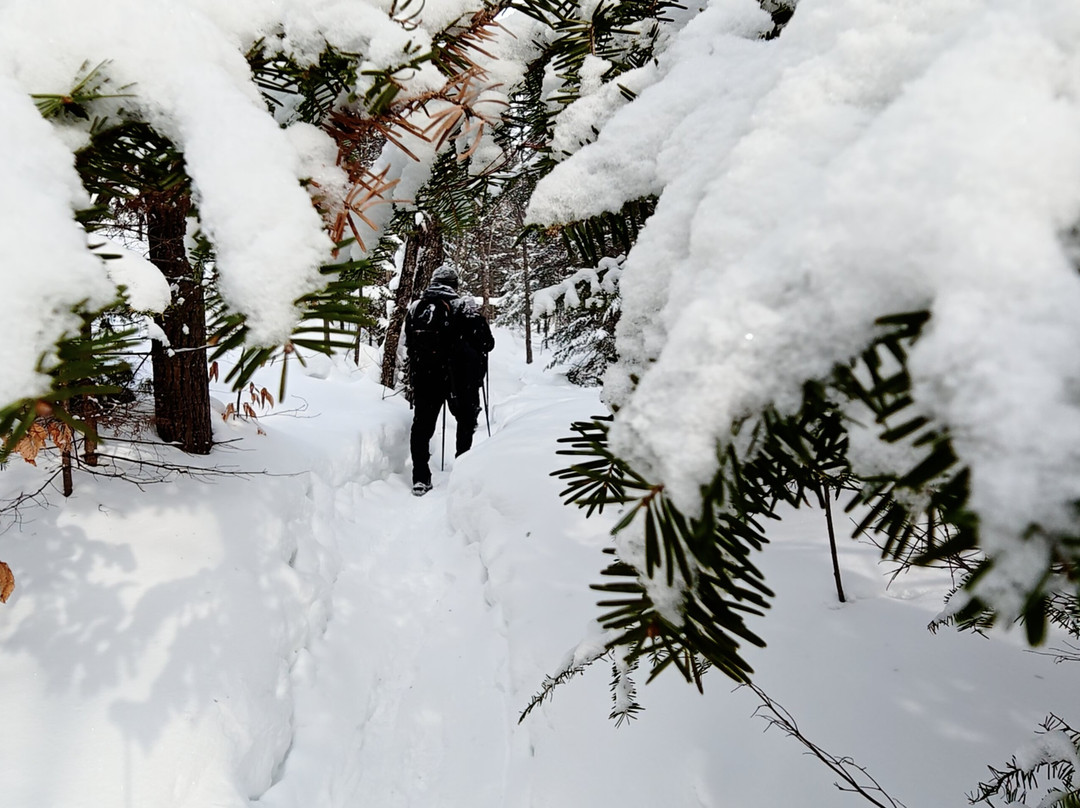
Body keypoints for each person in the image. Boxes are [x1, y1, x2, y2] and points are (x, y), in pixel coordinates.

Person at [404, 265, 494, 496]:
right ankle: (461, 472)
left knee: (422, 426)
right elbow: (487, 343)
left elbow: (409, 345)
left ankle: (420, 477)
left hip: (425, 377)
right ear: (454, 284)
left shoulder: (415, 308)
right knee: (465, 421)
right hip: (458, 378)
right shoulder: (462, 306)